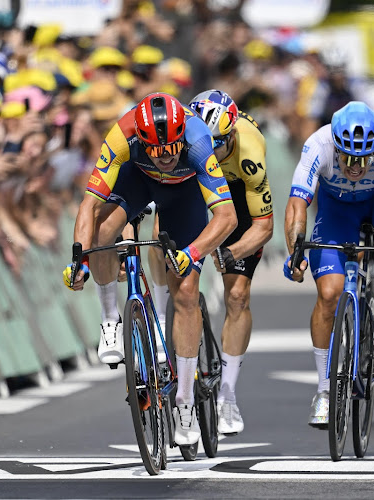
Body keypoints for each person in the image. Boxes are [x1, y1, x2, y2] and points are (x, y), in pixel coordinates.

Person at [62, 93, 238, 446]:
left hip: (185, 193)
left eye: (172, 149)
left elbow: (227, 216)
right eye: (156, 150)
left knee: (186, 292)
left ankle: (185, 401)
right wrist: (78, 258)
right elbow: (88, 204)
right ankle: (111, 318)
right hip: (138, 180)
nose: (166, 157)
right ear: (141, 140)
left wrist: (193, 252)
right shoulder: (121, 135)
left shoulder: (198, 141)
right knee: (102, 232)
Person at [146, 89, 273, 436]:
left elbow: (263, 227)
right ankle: (161, 317)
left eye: (219, 144)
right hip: (194, 188)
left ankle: (228, 393)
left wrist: (231, 254)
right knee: (160, 239)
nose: (212, 151)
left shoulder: (250, 152)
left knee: (236, 295)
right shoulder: (192, 142)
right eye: (207, 143)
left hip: (235, 200)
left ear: (231, 135)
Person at [283, 101, 374, 427]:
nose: (355, 166)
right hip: (337, 210)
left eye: (364, 158)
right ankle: (324, 392)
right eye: (348, 157)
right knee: (329, 294)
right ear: (337, 147)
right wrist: (295, 253)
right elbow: (298, 204)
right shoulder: (319, 144)